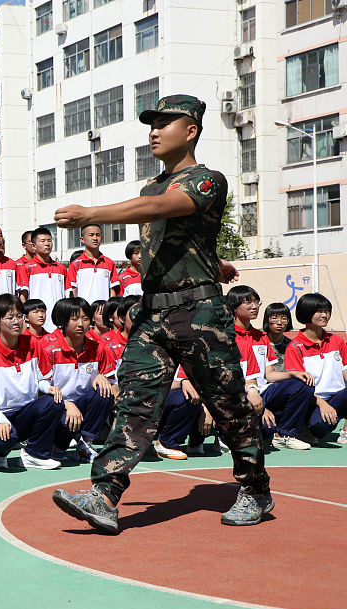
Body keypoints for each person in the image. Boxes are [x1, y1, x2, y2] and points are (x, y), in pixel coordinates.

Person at [52, 94, 272, 532]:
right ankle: (104, 495)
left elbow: (162, 208)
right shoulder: (151, 186)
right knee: (134, 403)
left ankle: (254, 488)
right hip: (152, 314)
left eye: (164, 123)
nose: (153, 131)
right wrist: (214, 260)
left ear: (190, 131)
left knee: (228, 406)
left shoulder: (207, 180)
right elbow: (168, 235)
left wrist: (90, 214)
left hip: (200, 315)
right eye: (151, 124)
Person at [0, 293, 65, 470]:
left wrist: (48, 388)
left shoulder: (32, 343)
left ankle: (34, 454)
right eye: (10, 317)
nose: (17, 321)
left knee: (53, 402)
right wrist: (1, 420)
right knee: (2, 441)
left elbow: (40, 378)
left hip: (24, 411)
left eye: (19, 316)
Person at [227, 285, 314, 451]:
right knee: (265, 432)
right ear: (233, 306)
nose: (254, 306)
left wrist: (293, 373)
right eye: (248, 302)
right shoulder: (226, 337)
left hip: (262, 391)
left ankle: (286, 434)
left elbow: (270, 375)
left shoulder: (262, 337)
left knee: (302, 384)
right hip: (238, 394)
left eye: (256, 302)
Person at [41, 298, 117, 466]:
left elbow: (114, 384)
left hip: (83, 405)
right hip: (56, 406)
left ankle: (85, 444)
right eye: (74, 318)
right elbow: (40, 388)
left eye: (85, 318)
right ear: (62, 320)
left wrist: (102, 377)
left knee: (104, 392)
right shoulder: (47, 347)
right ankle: (56, 446)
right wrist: (65, 404)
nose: (81, 324)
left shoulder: (98, 348)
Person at [285, 293, 347, 446]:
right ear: (306, 312)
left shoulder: (337, 341)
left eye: (327, 311)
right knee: (324, 425)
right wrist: (322, 404)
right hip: (313, 402)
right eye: (319, 311)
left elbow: (345, 371)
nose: (325, 315)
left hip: (339, 397)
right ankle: (305, 428)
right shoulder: (294, 347)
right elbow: (298, 389)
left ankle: (345, 432)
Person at [16, 227, 66, 331]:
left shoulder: (61, 268)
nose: (47, 244)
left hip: (59, 322)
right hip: (37, 324)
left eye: (49, 240)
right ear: (33, 246)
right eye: (43, 241)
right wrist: (25, 319)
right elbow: (23, 297)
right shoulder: (26, 268)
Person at [66, 224, 119, 302]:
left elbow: (112, 290)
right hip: (84, 312)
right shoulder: (75, 264)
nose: (95, 238)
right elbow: (73, 291)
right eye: (91, 235)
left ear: (102, 238)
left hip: (104, 311)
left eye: (98, 235)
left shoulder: (109, 263)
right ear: (82, 239)